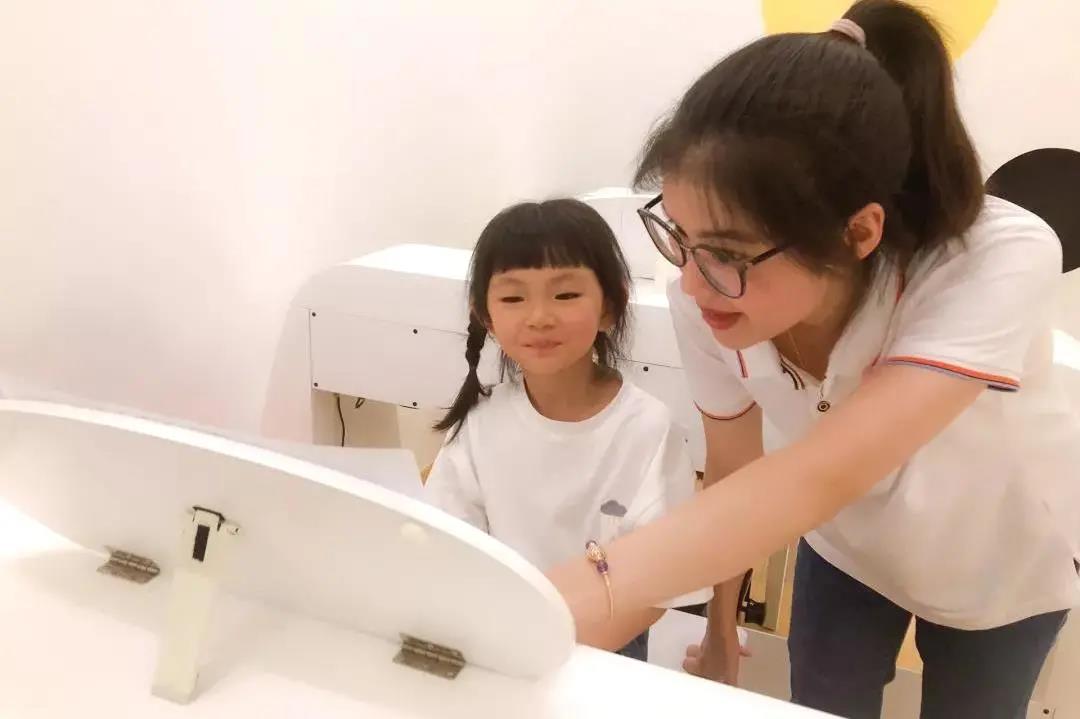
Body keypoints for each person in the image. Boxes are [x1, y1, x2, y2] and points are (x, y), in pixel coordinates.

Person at [545, 1, 1080, 717]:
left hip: (998, 569)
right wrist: (720, 626)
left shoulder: (995, 256)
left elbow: (821, 471)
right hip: (848, 548)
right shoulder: (706, 296)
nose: (693, 283)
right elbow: (737, 470)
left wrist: (559, 603)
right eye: (680, 236)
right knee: (820, 702)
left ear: (858, 233)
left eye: (728, 253)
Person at [424, 198, 711, 662]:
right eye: (513, 298)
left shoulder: (647, 429)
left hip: (606, 643)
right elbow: (450, 545)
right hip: (502, 639)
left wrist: (553, 653)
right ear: (486, 316)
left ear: (610, 306)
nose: (539, 316)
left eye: (565, 295)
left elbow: (658, 587)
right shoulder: (479, 425)